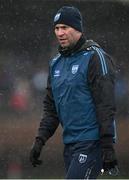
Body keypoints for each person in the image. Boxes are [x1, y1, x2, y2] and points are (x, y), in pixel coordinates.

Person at [30, 6, 119, 179]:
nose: (60, 32)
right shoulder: (55, 63)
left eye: (65, 27)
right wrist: (40, 140)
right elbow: (51, 108)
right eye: (57, 28)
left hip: (92, 142)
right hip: (70, 143)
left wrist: (107, 145)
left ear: (78, 29)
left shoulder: (95, 57)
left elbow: (105, 105)